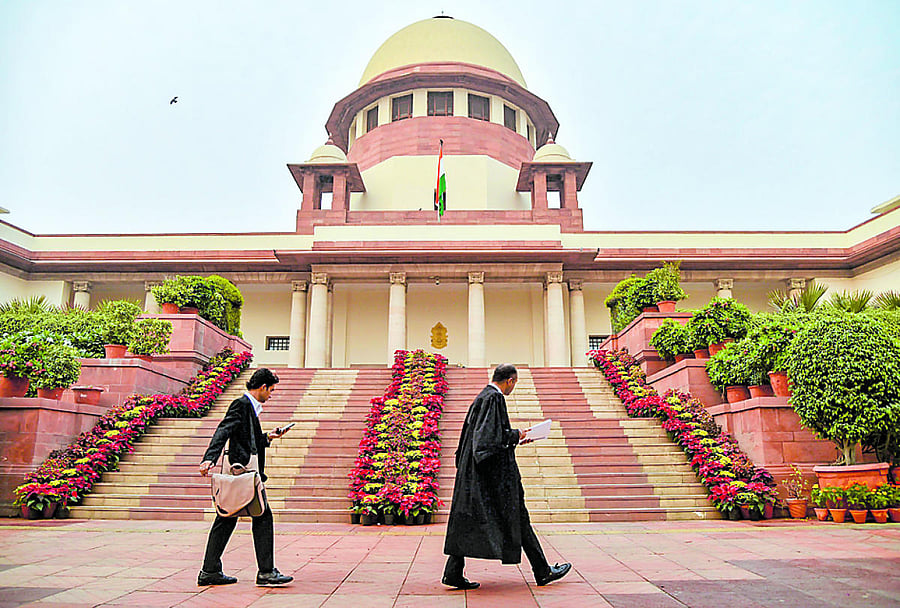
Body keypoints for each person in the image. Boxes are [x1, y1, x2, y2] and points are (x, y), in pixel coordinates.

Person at [442, 363, 572, 589]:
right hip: (493, 478)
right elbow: (487, 441)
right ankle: (542, 571)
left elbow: (485, 437)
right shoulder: (494, 398)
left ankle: (453, 572)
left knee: (469, 521)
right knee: (518, 517)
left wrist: (515, 438)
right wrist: (516, 434)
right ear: (510, 380)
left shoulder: (482, 397)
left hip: (475, 474)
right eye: (514, 383)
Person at [197, 367, 294, 587]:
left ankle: (210, 570)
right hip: (242, 471)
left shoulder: (249, 407)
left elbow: (247, 438)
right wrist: (209, 458)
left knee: (227, 517)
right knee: (262, 516)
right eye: (271, 390)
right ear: (262, 387)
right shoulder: (241, 404)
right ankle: (266, 572)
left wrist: (268, 436)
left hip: (244, 470)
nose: (271, 395)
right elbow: (224, 430)